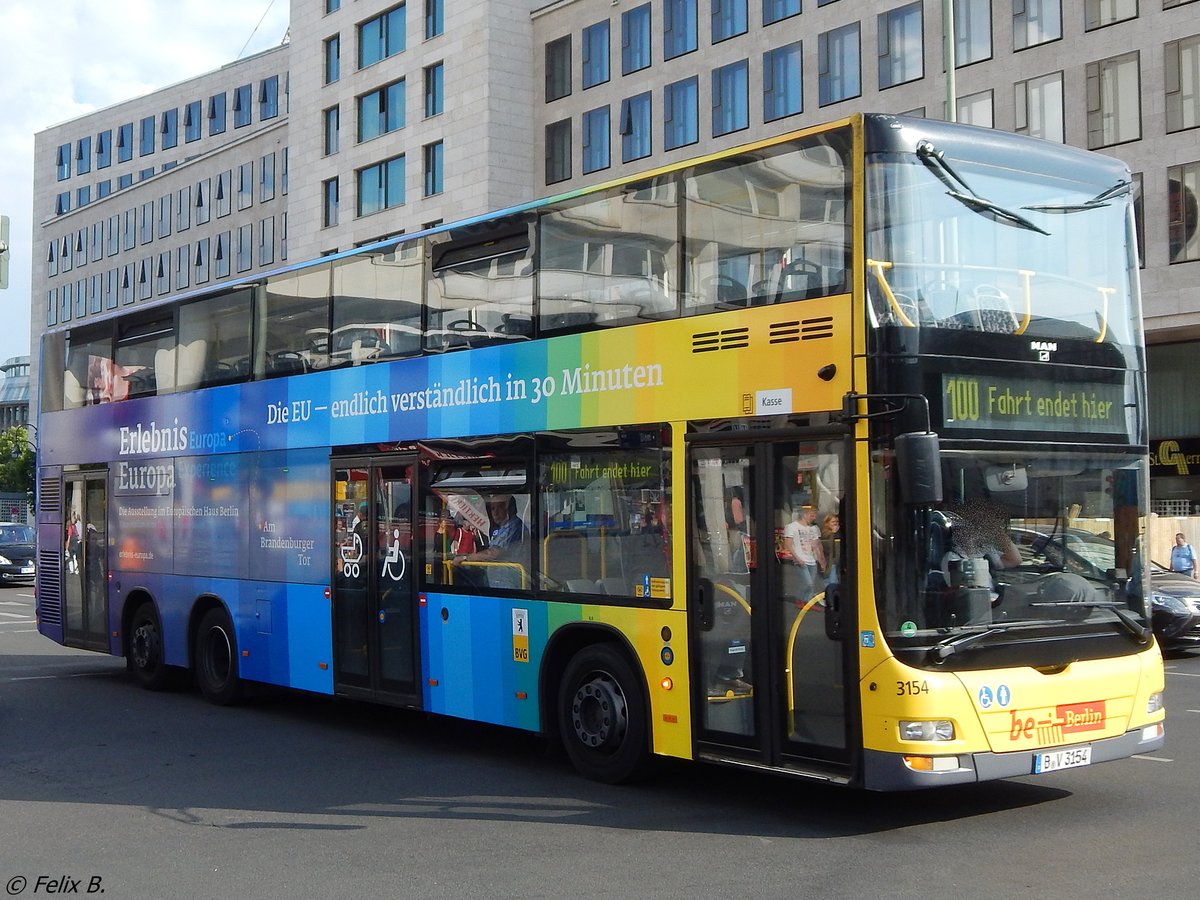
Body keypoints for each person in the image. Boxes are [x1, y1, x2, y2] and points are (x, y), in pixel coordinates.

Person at [784, 505, 825, 602]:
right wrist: (797, 558)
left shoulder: (813, 528)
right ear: (804, 515)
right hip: (801, 559)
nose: (814, 518)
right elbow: (788, 544)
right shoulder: (792, 527)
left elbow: (816, 546)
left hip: (812, 560)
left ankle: (806, 602)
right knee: (808, 583)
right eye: (812, 515)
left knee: (811, 585)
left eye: (815, 515)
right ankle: (800, 599)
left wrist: (821, 560)